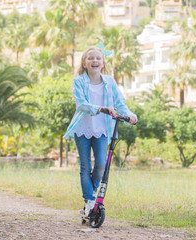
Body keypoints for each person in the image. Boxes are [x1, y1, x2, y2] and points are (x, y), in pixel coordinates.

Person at [63, 46, 137, 217]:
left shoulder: (109, 82)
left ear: (103, 62)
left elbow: (119, 103)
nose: (94, 61)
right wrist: (101, 108)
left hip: (103, 129)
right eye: (90, 58)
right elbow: (81, 104)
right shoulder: (79, 81)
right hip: (82, 129)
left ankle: (90, 192)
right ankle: (89, 202)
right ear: (84, 62)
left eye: (98, 58)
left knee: (101, 165)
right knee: (85, 167)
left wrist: (130, 115)